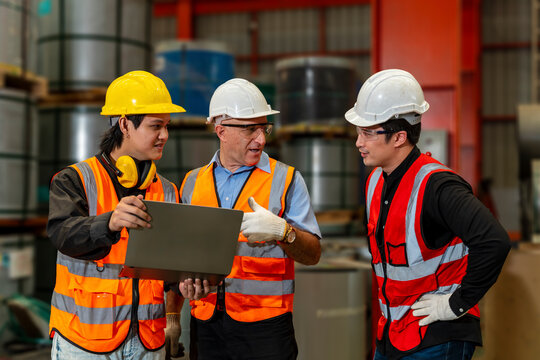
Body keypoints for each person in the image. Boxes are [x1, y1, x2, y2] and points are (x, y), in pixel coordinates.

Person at [344, 69, 511, 360]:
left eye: (368, 133)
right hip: (393, 333)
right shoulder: (375, 182)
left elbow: (494, 241)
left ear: (399, 137)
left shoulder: (437, 186)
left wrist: (456, 304)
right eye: (359, 132)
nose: (359, 142)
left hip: (437, 334)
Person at [178, 78, 322, 360]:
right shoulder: (192, 183)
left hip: (266, 327)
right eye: (250, 129)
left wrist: (284, 232)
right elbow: (183, 257)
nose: (262, 139)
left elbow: (313, 254)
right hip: (206, 324)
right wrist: (183, 283)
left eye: (264, 128)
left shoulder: (287, 180)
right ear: (221, 131)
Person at [47, 71, 186, 360]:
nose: (165, 136)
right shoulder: (75, 180)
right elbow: (62, 234)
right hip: (85, 343)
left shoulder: (168, 191)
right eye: (156, 126)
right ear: (124, 124)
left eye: (167, 126)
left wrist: (181, 297)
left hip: (148, 341)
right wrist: (108, 222)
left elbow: (171, 270)